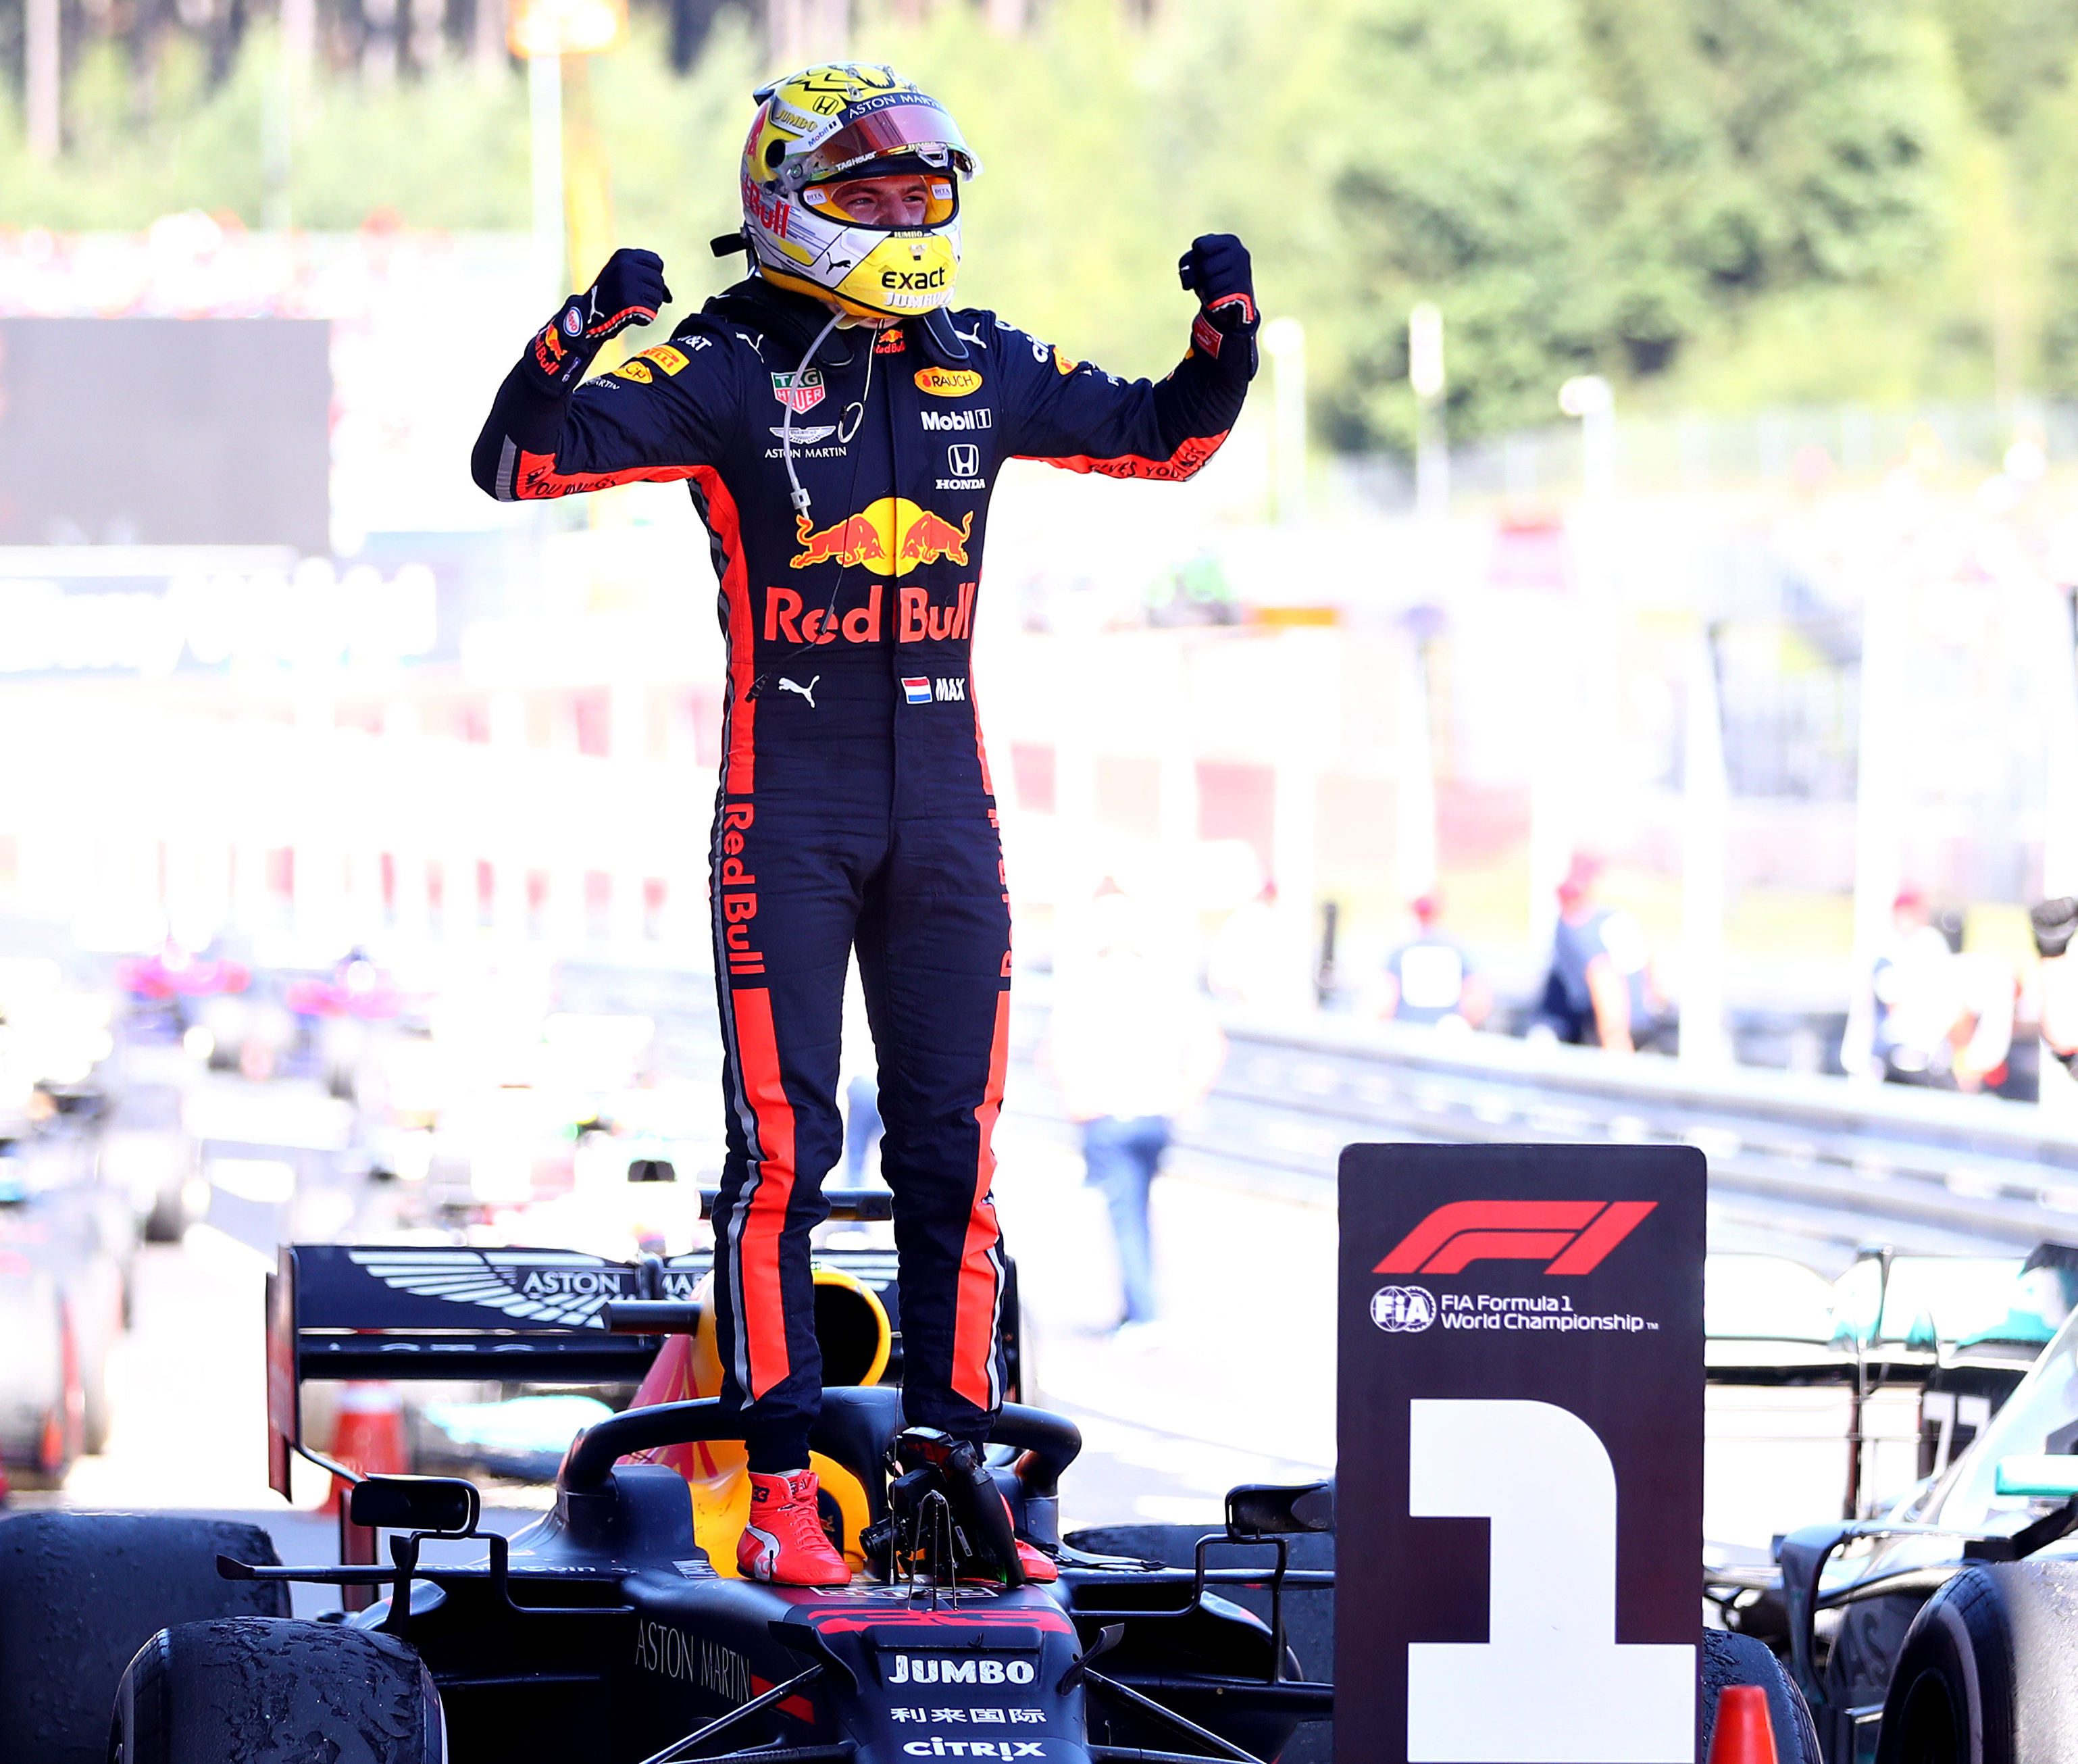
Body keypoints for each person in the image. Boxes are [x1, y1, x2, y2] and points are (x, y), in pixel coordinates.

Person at [470, 61, 1258, 1585]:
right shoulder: (721, 365)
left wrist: (1224, 338)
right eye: (869, 195)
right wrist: (582, 330)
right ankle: (777, 1488)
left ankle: (949, 1468)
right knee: (785, 1152)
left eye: (922, 192)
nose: (904, 216)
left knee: (953, 1151)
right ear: (785, 206)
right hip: (790, 803)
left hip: (947, 804)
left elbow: (1166, 440)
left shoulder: (981, 356)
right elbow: (514, 462)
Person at [1045, 890, 1225, 1342]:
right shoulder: (1164, 983)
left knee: (1125, 1215)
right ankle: (1138, 1307)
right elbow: (1212, 1043)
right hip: (1155, 1116)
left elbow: (1052, 1049)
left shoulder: (1087, 983)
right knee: (1138, 1211)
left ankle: (1144, 1315)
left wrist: (1075, 1101)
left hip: (1108, 1117)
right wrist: (1185, 1097)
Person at [1537, 856, 1667, 1052]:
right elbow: (1649, 958)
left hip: (1613, 1027)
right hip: (1642, 1022)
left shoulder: (1577, 929)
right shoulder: (1614, 918)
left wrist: (1615, 1039)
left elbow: (1604, 977)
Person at [1377, 894, 1490, 1030]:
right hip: (1446, 1033)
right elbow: (1477, 998)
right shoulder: (1456, 949)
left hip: (1407, 1033)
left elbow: (1384, 1000)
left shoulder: (1400, 952)